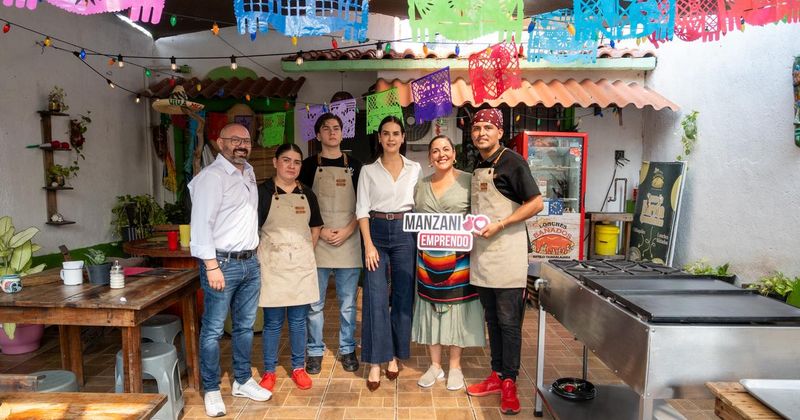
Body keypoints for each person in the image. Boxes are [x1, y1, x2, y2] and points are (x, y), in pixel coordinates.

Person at [188, 123, 272, 418]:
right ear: (219, 143)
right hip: (222, 264)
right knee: (213, 330)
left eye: (246, 140)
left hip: (250, 262)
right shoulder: (211, 177)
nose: (241, 145)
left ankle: (242, 380)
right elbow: (201, 224)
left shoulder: (248, 172)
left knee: (245, 327)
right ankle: (211, 388)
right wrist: (211, 266)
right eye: (234, 139)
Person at [465, 109, 543, 415]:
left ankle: (510, 382)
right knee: (492, 320)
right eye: (477, 128)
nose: (481, 133)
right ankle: (496, 374)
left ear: (499, 132)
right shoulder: (479, 164)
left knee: (509, 323)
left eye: (488, 127)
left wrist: (501, 224)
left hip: (508, 253)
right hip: (483, 255)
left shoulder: (513, 162)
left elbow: (536, 203)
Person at [412, 135, 485, 391]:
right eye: (435, 151)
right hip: (428, 260)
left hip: (460, 260)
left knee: (457, 311)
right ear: (429, 158)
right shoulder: (421, 185)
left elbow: (480, 214)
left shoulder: (469, 181)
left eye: (446, 149)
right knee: (430, 309)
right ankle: (435, 366)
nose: (441, 154)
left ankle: (455, 367)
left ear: (454, 154)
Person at [356, 115, 421, 391]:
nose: (391, 138)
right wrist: (369, 245)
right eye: (386, 133)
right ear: (379, 138)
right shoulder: (368, 171)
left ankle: (393, 354)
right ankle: (374, 361)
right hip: (377, 231)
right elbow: (361, 209)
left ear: (403, 137)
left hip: (406, 232)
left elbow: (421, 204)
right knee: (375, 296)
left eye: (396, 133)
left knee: (403, 294)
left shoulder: (415, 168)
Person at [256, 143, 324, 393]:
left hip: (300, 267)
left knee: (298, 321)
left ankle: (298, 368)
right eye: (286, 160)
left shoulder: (308, 194)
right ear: (275, 162)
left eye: (296, 162)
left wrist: (304, 250)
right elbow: (253, 229)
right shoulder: (262, 192)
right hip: (273, 266)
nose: (291, 166)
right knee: (273, 323)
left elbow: (316, 226)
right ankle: (269, 371)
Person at [298, 113, 363, 374]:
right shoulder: (307, 166)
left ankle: (347, 349)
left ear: (342, 133)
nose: (332, 132)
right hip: (317, 240)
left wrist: (348, 230)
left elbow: (364, 205)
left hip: (349, 239)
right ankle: (314, 351)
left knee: (348, 304)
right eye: (326, 129)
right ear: (318, 135)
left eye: (336, 128)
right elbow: (300, 203)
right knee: (314, 304)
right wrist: (320, 230)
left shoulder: (356, 165)